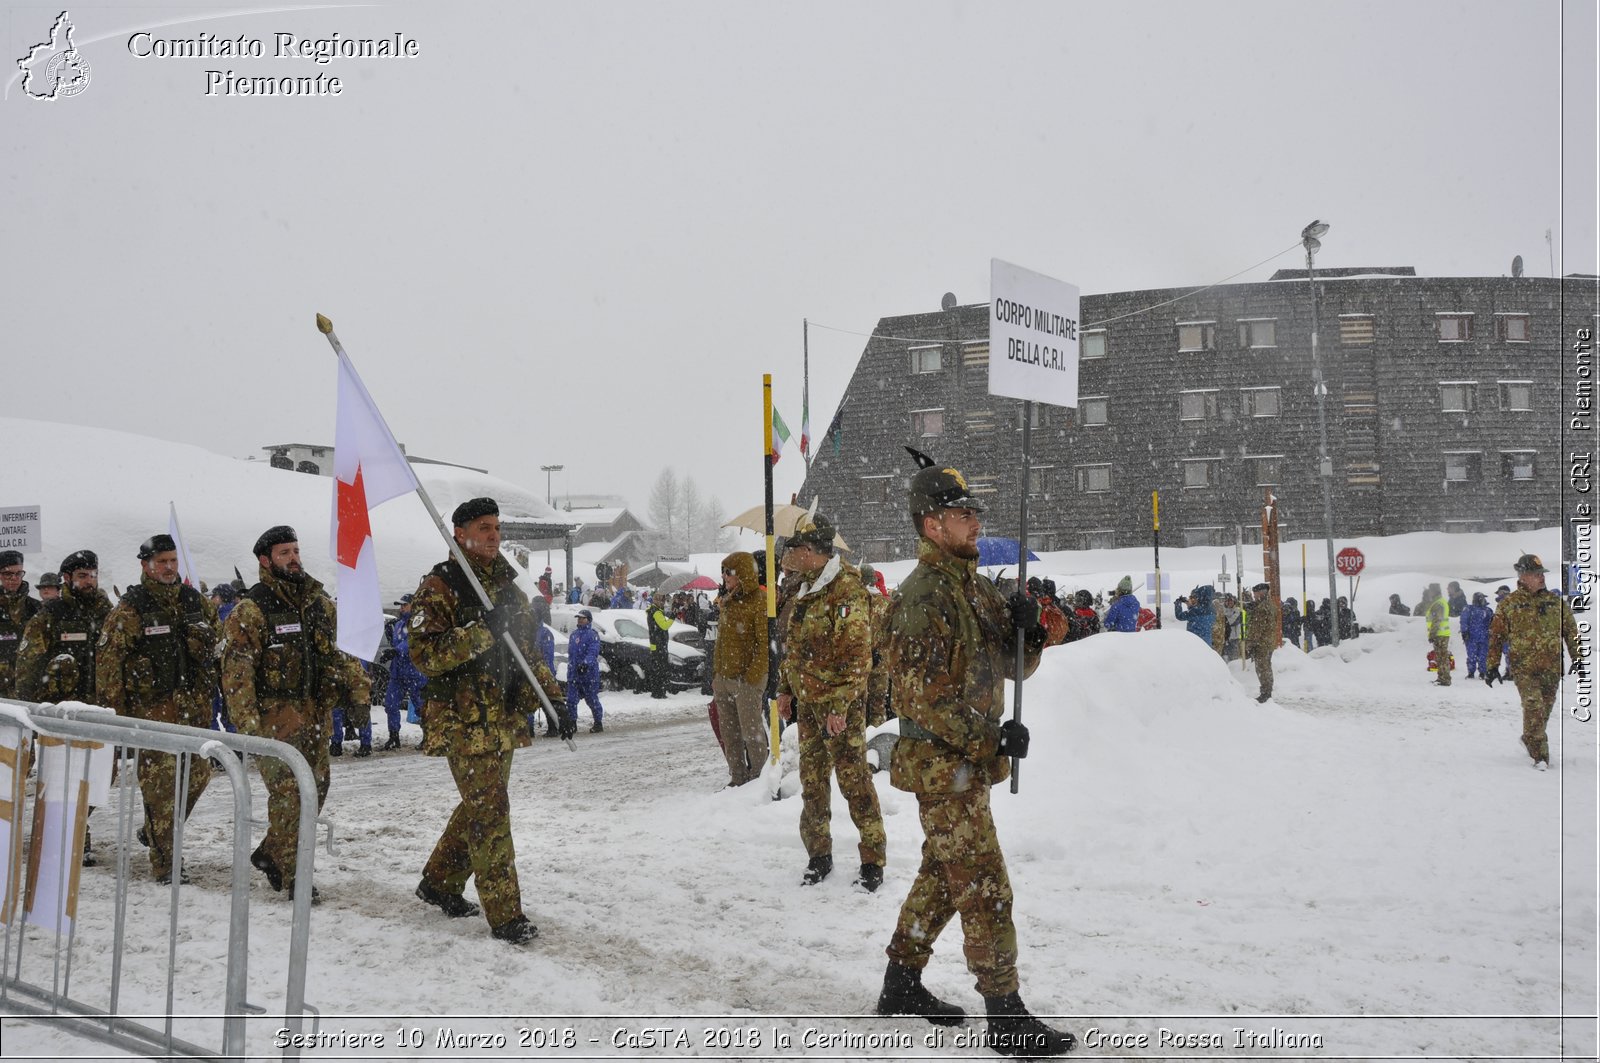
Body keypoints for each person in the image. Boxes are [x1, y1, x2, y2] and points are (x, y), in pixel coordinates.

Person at [874, 461, 1074, 1057]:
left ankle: (901, 983)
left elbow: (1011, 667)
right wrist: (992, 741)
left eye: (975, 512)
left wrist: (1028, 634)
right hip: (943, 766)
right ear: (932, 525)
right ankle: (1005, 1014)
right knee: (984, 885)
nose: (975, 522)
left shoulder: (975, 586)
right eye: (963, 514)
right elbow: (920, 697)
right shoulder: (920, 598)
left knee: (942, 875)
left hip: (967, 763)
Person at [407, 497, 569, 945]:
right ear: (460, 533)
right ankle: (505, 915)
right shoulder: (442, 587)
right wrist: (482, 632)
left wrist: (555, 699)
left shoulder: (507, 588)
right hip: (462, 718)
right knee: (491, 812)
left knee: (480, 806)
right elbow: (426, 656)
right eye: (483, 527)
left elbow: (528, 653)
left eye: (496, 527)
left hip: (502, 716)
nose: (493, 535)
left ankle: (439, 882)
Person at [222, 526, 361, 899]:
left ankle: (271, 851)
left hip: (314, 715)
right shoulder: (251, 610)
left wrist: (358, 691)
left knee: (316, 790)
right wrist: (249, 727)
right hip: (274, 719)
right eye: (285, 552)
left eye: (296, 550)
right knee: (288, 794)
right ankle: (292, 874)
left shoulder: (317, 604)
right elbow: (238, 675)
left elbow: (336, 653)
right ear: (266, 561)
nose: (294, 558)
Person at [96, 534, 221, 882]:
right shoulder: (131, 609)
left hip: (192, 714)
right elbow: (109, 669)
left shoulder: (194, 602)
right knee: (161, 790)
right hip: (151, 716)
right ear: (145, 565)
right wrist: (115, 723)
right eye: (161, 562)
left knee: (198, 777)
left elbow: (218, 645)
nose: (168, 568)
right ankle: (165, 865)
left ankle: (156, 832)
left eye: (172, 561)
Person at [774, 512, 884, 891]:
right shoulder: (803, 588)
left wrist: (838, 707)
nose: (787, 555)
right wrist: (785, 688)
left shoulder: (847, 589)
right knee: (813, 784)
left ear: (812, 550)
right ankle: (818, 855)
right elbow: (794, 648)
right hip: (807, 704)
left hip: (841, 709)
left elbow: (858, 657)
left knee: (855, 784)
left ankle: (872, 860)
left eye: (793, 548)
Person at [1486, 554, 1585, 770]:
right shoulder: (1510, 604)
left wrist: (1578, 658)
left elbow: (1571, 631)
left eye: (1542, 574)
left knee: (1543, 712)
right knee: (1533, 707)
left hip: (1551, 667)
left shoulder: (1554, 602)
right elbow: (1496, 637)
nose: (1541, 578)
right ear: (1523, 576)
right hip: (1524, 668)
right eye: (1536, 574)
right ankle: (1541, 756)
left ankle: (1529, 738)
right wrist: (1492, 665)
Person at [711, 552, 769, 786]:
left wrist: (751, 678)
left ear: (743, 574)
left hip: (746, 681)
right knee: (729, 733)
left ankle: (759, 778)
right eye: (723, 572)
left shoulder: (760, 602)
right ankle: (737, 777)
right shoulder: (728, 601)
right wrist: (717, 674)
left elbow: (764, 645)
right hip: (724, 678)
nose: (725, 577)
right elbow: (721, 641)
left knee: (751, 733)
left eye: (730, 572)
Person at [382, 596, 424, 750]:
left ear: (413, 605)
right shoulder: (399, 624)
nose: (401, 609)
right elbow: (398, 643)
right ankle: (394, 736)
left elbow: (413, 642)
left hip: (415, 672)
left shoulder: (419, 622)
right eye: (400, 606)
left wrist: (396, 650)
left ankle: (428, 735)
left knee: (421, 706)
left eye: (404, 605)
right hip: (398, 672)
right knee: (390, 704)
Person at [0, 550, 40, 697]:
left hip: (29, 691)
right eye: (7, 574)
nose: (14, 578)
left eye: (18, 573)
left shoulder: (36, 608)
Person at [858, 562, 893, 726]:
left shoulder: (856, 603)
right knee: (878, 706)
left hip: (859, 663)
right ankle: (877, 740)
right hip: (881, 662)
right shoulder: (884, 603)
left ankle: (863, 744)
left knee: (859, 708)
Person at [565, 609, 605, 733]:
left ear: (588, 620)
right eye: (579, 618)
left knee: (592, 700)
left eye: (583, 618)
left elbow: (592, 652)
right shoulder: (574, 635)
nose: (580, 620)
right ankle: (572, 724)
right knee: (571, 700)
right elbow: (571, 655)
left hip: (589, 674)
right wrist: (571, 669)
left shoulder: (592, 635)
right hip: (574, 674)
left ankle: (598, 723)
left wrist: (585, 664)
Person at [1243, 583, 1280, 703]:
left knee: (1262, 668)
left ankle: (1265, 693)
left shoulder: (1262, 609)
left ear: (1261, 593)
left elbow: (1256, 629)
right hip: (1268, 642)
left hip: (1261, 643)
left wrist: (1249, 644)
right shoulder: (1269, 605)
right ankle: (1267, 691)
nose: (1254, 596)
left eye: (1255, 594)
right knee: (1266, 667)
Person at [1460, 592, 1494, 679]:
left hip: (1482, 637)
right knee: (1473, 655)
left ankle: (1482, 672)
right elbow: (1464, 621)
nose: (1483, 600)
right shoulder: (1469, 609)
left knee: (1482, 655)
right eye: (1481, 598)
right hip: (1473, 637)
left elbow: (1492, 623)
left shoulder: (1487, 610)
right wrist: (1464, 632)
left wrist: (1491, 633)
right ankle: (1473, 672)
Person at [645, 595, 672, 699]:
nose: (663, 603)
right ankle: (659, 692)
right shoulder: (656, 611)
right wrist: (672, 617)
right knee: (660, 669)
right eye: (661, 600)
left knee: (657, 669)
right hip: (659, 645)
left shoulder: (654, 610)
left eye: (663, 601)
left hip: (656, 644)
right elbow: (664, 625)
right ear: (655, 601)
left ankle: (657, 691)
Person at [1211, 593, 1242, 661]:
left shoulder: (1237, 610)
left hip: (1234, 637)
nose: (1229, 602)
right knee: (1224, 655)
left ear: (1234, 601)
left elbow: (1231, 621)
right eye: (1228, 601)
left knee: (1233, 656)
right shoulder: (1223, 609)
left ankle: (1235, 669)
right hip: (1225, 636)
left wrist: (1224, 620)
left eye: (1231, 601)